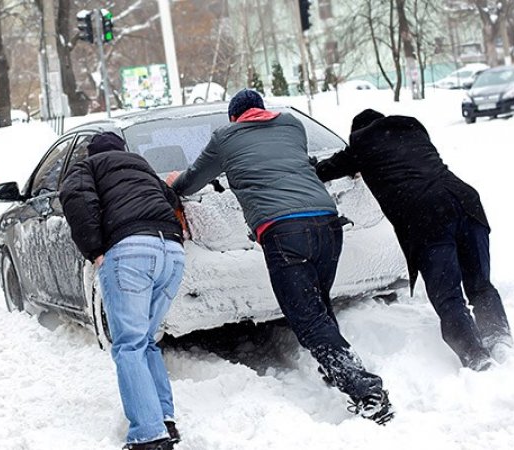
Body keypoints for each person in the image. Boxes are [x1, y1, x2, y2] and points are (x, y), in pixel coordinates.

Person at [166, 89, 393, 424]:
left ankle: (364, 388)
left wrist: (174, 182)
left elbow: (191, 181)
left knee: (307, 318)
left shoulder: (225, 137)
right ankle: (336, 367)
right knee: (318, 303)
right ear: (262, 110)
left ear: (234, 117)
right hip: (328, 225)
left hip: (284, 232)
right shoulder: (292, 124)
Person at [316, 109, 512, 370]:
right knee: (479, 283)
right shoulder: (412, 128)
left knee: (448, 294)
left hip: (428, 215)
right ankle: (498, 337)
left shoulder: (361, 144)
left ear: (357, 132)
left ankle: (476, 357)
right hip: (466, 201)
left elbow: (325, 170)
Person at [60, 132, 185, 450]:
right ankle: (164, 421)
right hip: (171, 251)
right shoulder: (142, 166)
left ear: (92, 152)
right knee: (146, 341)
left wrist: (94, 248)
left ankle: (148, 434)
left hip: (130, 252)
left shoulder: (87, 167)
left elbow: (76, 198)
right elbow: (171, 200)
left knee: (129, 345)